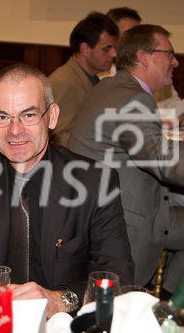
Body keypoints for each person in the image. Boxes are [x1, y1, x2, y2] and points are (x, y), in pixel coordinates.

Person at [0, 63, 134, 318]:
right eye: (2, 116)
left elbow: (118, 275)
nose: (15, 130)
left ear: (51, 116)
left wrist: (59, 300)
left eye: (28, 115)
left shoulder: (96, 181)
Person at [67, 24, 184, 297]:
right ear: (144, 57)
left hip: (93, 205)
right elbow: (163, 161)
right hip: (123, 220)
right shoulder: (134, 98)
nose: (175, 61)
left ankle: (161, 297)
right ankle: (165, 301)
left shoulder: (111, 86)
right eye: (170, 54)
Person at [49, 12, 118, 146]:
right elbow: (59, 138)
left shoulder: (88, 77)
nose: (114, 54)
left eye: (114, 48)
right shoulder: (65, 82)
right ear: (85, 49)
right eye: (106, 49)